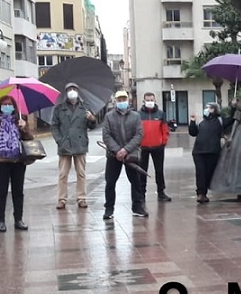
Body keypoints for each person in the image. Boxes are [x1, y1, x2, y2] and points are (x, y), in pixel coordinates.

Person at [0, 95, 33, 232]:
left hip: (18, 162)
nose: (7, 107)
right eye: (4, 104)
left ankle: (18, 219)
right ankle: (0, 220)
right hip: (1, 163)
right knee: (1, 192)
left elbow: (29, 139)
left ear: (14, 106)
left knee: (18, 192)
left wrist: (24, 128)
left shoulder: (20, 121)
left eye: (9, 104)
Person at [50, 82, 97, 210]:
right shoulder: (59, 108)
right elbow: (54, 126)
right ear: (66, 92)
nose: (72, 91)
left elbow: (92, 126)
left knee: (81, 173)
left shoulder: (85, 107)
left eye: (74, 89)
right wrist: (59, 140)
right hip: (64, 145)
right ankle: (62, 199)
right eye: (69, 89)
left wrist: (92, 119)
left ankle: (81, 198)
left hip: (80, 144)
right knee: (63, 174)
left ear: (77, 91)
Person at [101, 90, 145, 221]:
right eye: (119, 100)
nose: (122, 102)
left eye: (124, 99)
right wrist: (117, 150)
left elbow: (139, 135)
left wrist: (125, 150)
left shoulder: (136, 116)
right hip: (113, 155)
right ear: (116, 101)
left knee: (135, 181)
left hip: (131, 154)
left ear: (128, 100)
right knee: (110, 182)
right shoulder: (109, 116)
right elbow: (106, 136)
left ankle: (137, 207)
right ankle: (109, 209)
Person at [137, 92, 172, 210]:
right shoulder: (138, 115)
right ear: (143, 101)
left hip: (158, 147)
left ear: (155, 100)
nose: (150, 102)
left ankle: (161, 192)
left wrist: (163, 142)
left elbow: (165, 129)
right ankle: (141, 194)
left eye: (151, 100)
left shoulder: (161, 114)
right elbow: (135, 130)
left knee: (159, 170)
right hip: (143, 147)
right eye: (147, 100)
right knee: (142, 171)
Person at [189, 102, 229, 203]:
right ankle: (201, 194)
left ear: (215, 110)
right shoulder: (202, 121)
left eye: (210, 108)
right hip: (198, 151)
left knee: (208, 173)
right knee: (200, 173)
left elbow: (231, 119)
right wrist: (192, 122)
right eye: (206, 107)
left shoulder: (220, 121)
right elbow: (193, 133)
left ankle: (204, 192)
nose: (207, 109)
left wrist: (233, 107)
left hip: (212, 152)